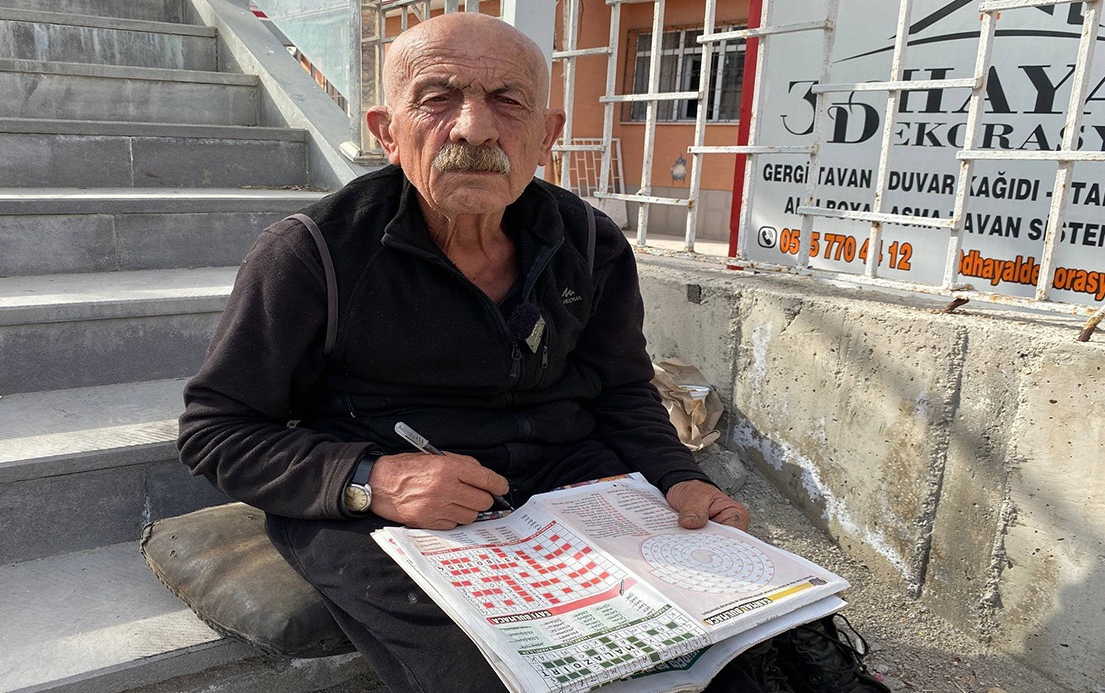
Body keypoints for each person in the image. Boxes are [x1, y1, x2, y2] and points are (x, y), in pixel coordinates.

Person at [178, 11, 881, 693]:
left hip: (568, 476)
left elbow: (622, 390)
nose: (474, 128)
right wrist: (374, 477)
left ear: (547, 135)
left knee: (752, 631)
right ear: (387, 133)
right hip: (389, 504)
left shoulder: (590, 241)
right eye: (437, 98)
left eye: (506, 101)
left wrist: (676, 477)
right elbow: (217, 431)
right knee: (493, 668)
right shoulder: (312, 254)